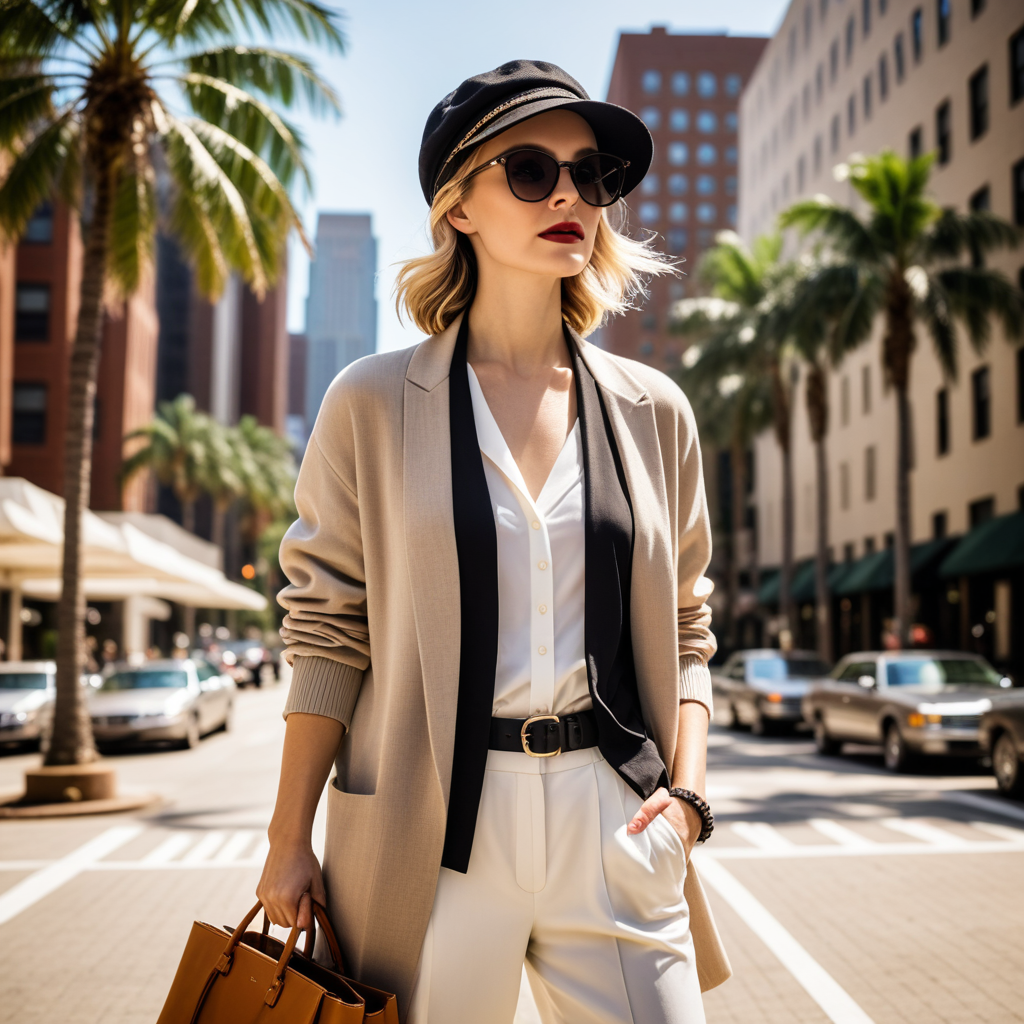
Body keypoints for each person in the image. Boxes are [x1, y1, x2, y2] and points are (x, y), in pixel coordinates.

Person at [258, 60, 729, 1022]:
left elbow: (688, 626)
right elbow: (326, 635)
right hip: (430, 833)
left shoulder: (653, 411)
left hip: (618, 816)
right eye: (527, 170)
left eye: (590, 174)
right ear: (458, 206)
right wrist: (286, 837)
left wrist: (686, 799)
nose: (569, 195)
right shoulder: (372, 403)